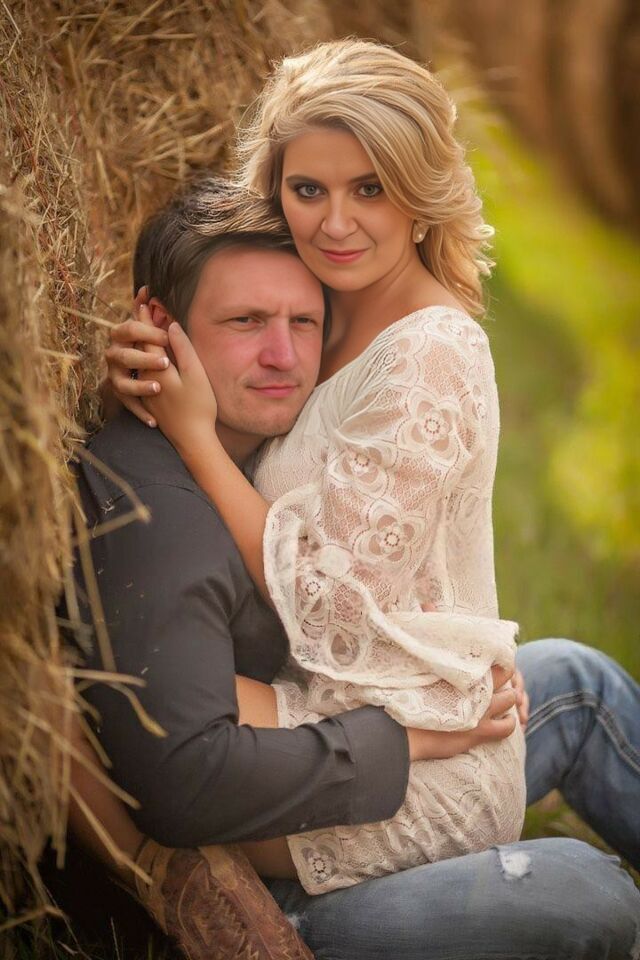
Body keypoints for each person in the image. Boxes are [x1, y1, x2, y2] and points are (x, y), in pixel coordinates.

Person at [97, 42, 640, 956]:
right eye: (308, 189)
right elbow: (232, 353)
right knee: (573, 679)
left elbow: (327, 600)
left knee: (596, 888)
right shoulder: (325, 300)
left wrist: (191, 435)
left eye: (370, 189)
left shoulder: (429, 355)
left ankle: (331, 924)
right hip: (347, 708)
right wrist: (146, 365)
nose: (335, 223)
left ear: (420, 192)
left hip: (410, 756)